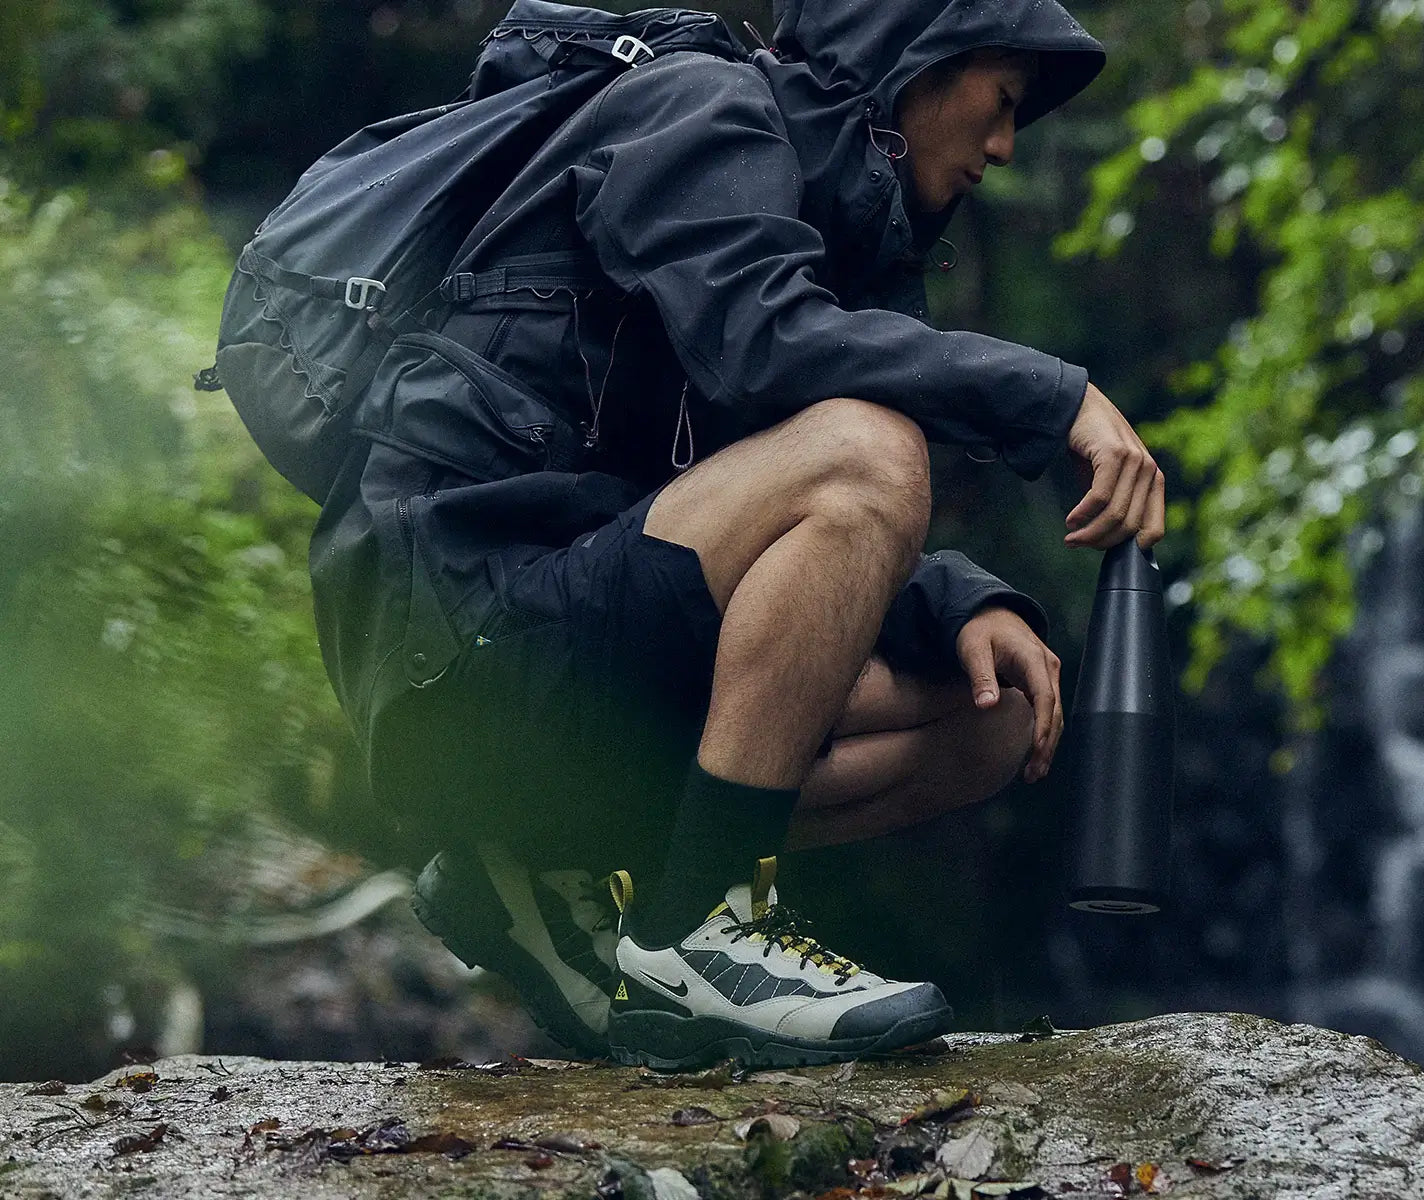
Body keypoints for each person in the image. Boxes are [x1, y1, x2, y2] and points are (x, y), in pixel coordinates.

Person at [310, 0, 1164, 1069]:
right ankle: (710, 931)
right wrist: (1056, 398)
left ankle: (532, 867)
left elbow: (745, 525)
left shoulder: (814, 228)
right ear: (914, 60)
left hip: (573, 640)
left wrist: (960, 603)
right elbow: (770, 356)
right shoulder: (699, 110)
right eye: (999, 103)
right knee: (869, 450)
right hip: (462, 649)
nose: (1002, 146)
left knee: (988, 712)